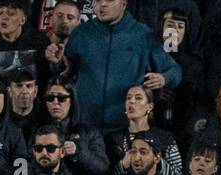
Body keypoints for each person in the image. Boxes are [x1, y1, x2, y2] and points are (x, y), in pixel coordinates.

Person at [63, 0, 181, 134]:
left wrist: (164, 78)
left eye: (109, 0)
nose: (102, 4)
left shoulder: (143, 35)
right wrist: (57, 64)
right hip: (85, 126)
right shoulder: (80, 33)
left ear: (123, 4)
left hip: (125, 129)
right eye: (98, 0)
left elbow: (175, 71)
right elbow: (65, 72)